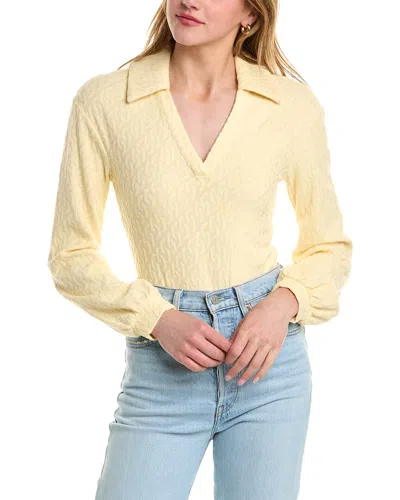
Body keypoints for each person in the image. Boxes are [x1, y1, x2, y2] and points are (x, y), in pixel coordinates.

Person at [47, 1, 353, 498]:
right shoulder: (105, 102)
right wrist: (157, 318)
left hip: (267, 368)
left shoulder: (290, 107)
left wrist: (281, 306)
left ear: (251, 14)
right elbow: (70, 255)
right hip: (161, 369)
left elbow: (329, 245)